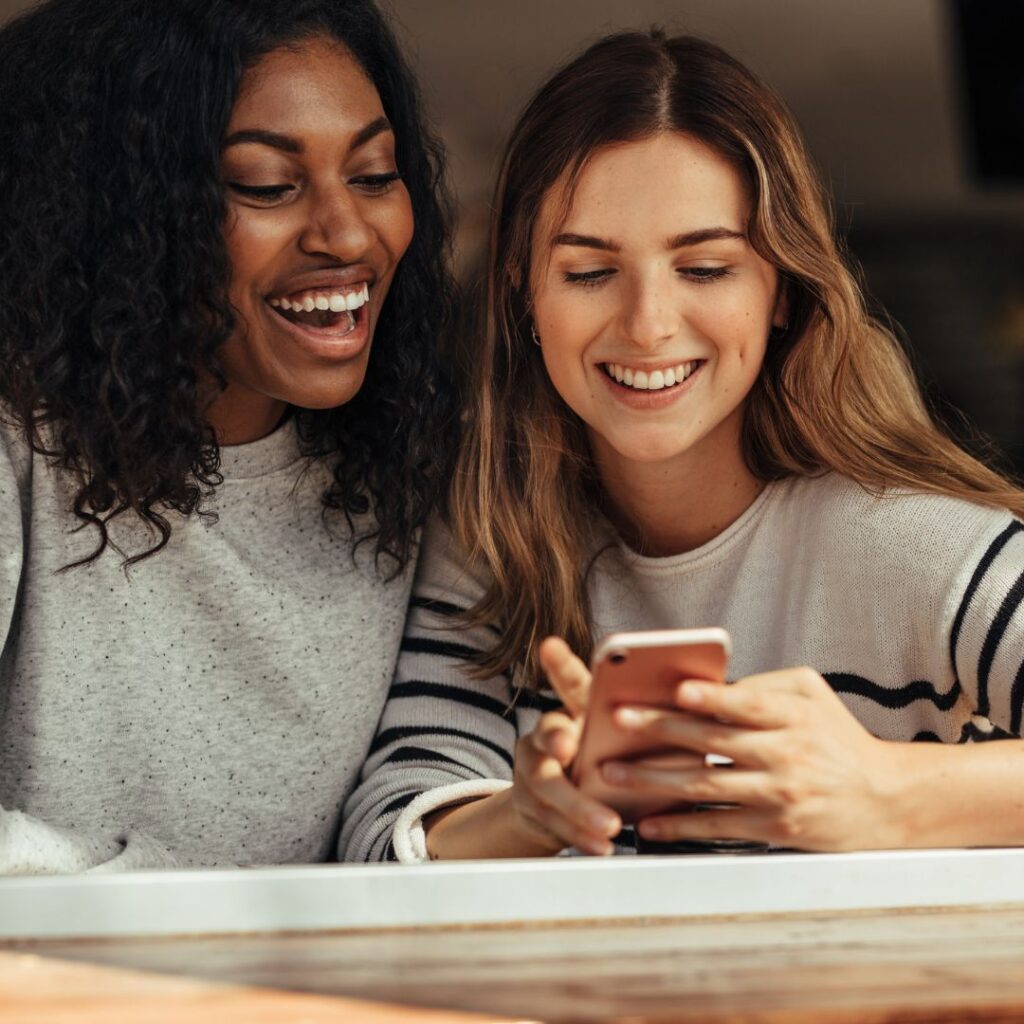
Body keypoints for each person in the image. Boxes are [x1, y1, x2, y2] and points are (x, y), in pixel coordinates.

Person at [340, 30, 1024, 864]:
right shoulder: (493, 544)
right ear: (522, 294)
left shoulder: (918, 548)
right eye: (589, 273)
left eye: (704, 268)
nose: (648, 325)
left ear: (781, 290)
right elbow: (387, 836)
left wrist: (889, 794)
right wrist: (526, 814)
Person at [0, 0, 455, 872]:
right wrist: (173, 907)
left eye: (374, 174)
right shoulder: (21, 435)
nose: (348, 234)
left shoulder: (414, 456)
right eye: (267, 185)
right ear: (123, 214)